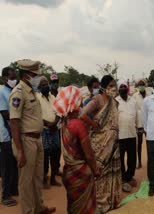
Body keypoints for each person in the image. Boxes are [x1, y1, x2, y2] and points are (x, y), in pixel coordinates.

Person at [9, 59, 55, 214]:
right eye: (35, 75)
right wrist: (20, 151)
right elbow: (14, 122)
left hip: (37, 139)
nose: (38, 78)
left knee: (37, 177)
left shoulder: (32, 92)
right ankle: (28, 211)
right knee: (26, 181)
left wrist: (47, 123)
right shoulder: (18, 93)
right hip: (26, 141)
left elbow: (32, 117)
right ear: (27, 75)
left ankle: (38, 207)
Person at [53, 86, 100, 214]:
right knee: (85, 208)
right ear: (75, 102)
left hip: (69, 172)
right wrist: (95, 169)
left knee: (73, 205)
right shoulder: (78, 124)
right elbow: (89, 154)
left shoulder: (63, 123)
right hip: (81, 172)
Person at [80, 75, 121, 213]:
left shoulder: (114, 102)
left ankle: (112, 201)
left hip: (113, 145)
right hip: (100, 144)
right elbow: (83, 115)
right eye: (110, 86)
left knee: (111, 173)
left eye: (114, 85)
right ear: (103, 87)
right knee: (100, 173)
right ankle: (99, 204)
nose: (113, 88)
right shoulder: (97, 99)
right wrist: (94, 125)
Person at [36, 76, 61, 189]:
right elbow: (36, 115)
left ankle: (53, 179)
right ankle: (44, 179)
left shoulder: (53, 97)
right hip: (44, 131)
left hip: (54, 129)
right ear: (39, 87)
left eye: (47, 84)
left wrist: (55, 123)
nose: (46, 86)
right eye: (43, 85)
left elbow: (59, 111)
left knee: (55, 155)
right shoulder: (37, 98)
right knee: (45, 156)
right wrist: (48, 124)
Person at [116, 79, 140, 191]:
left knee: (132, 158)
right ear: (118, 89)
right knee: (120, 159)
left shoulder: (133, 101)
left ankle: (129, 176)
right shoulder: (115, 101)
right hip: (120, 136)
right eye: (120, 87)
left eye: (124, 87)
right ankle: (122, 178)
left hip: (131, 134)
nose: (122, 89)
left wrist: (139, 127)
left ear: (127, 88)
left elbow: (137, 116)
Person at [0, 66, 18, 206]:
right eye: (12, 77)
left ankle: (12, 189)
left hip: (14, 133)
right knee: (6, 166)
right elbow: (5, 114)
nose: (14, 79)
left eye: (15, 77)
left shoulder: (14, 92)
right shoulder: (2, 93)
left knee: (13, 164)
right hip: (5, 134)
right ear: (5, 77)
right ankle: (5, 196)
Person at [132, 80, 148, 169]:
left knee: (150, 143)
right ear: (138, 87)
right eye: (140, 85)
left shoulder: (149, 96)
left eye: (143, 85)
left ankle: (151, 161)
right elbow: (134, 110)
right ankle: (139, 162)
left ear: (145, 86)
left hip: (148, 123)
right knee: (139, 143)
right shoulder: (134, 96)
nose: (141, 86)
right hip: (139, 123)